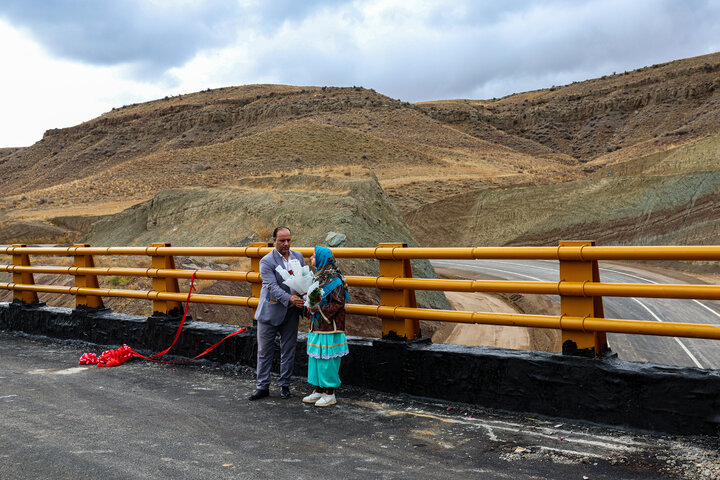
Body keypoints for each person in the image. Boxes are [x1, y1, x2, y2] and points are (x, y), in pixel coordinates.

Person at [249, 226, 306, 400]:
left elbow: (303, 279)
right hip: (270, 312)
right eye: (282, 241)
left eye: (289, 240)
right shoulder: (266, 261)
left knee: (288, 350)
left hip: (291, 313)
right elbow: (270, 286)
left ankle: (285, 385)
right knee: (265, 351)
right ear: (274, 240)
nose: (286, 244)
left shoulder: (299, 257)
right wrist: (289, 298)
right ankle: (262, 386)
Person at [302, 246, 349, 407]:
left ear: (322, 259)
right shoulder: (319, 277)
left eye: (314, 256)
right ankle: (318, 390)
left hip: (330, 327)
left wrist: (319, 308)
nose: (311, 258)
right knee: (315, 358)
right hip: (317, 326)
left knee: (327, 361)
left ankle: (330, 393)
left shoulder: (334, 280)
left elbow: (339, 303)